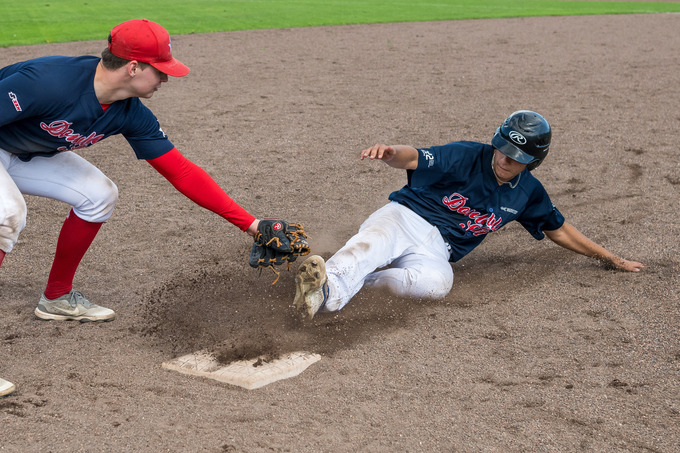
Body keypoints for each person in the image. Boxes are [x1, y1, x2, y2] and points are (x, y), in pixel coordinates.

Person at [0, 19, 262, 322]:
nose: (165, 78)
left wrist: (252, 225)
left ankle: (57, 298)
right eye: (160, 70)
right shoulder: (48, 82)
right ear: (133, 68)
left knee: (100, 195)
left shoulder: (130, 112)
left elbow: (181, 172)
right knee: (8, 212)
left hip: (22, 153)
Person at [293, 110, 645, 319]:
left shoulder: (528, 193)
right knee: (370, 245)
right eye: (503, 149)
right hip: (405, 218)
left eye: (516, 157)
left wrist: (610, 258)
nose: (505, 159)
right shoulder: (467, 155)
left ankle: (349, 287)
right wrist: (390, 153)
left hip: (437, 252)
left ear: (534, 162)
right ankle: (328, 290)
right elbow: (415, 157)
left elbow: (560, 230)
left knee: (437, 285)